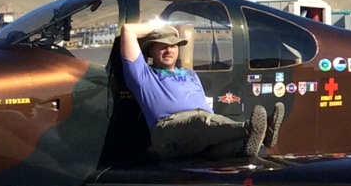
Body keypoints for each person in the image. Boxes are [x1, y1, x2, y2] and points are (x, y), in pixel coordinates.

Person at [120, 19, 283, 159]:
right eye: (162, 46)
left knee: (240, 145)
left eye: (173, 45)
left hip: (201, 133)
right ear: (151, 50)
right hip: (168, 132)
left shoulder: (189, 74)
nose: (169, 50)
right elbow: (128, 30)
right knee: (200, 122)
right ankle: (251, 128)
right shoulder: (143, 75)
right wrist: (160, 25)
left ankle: (262, 136)